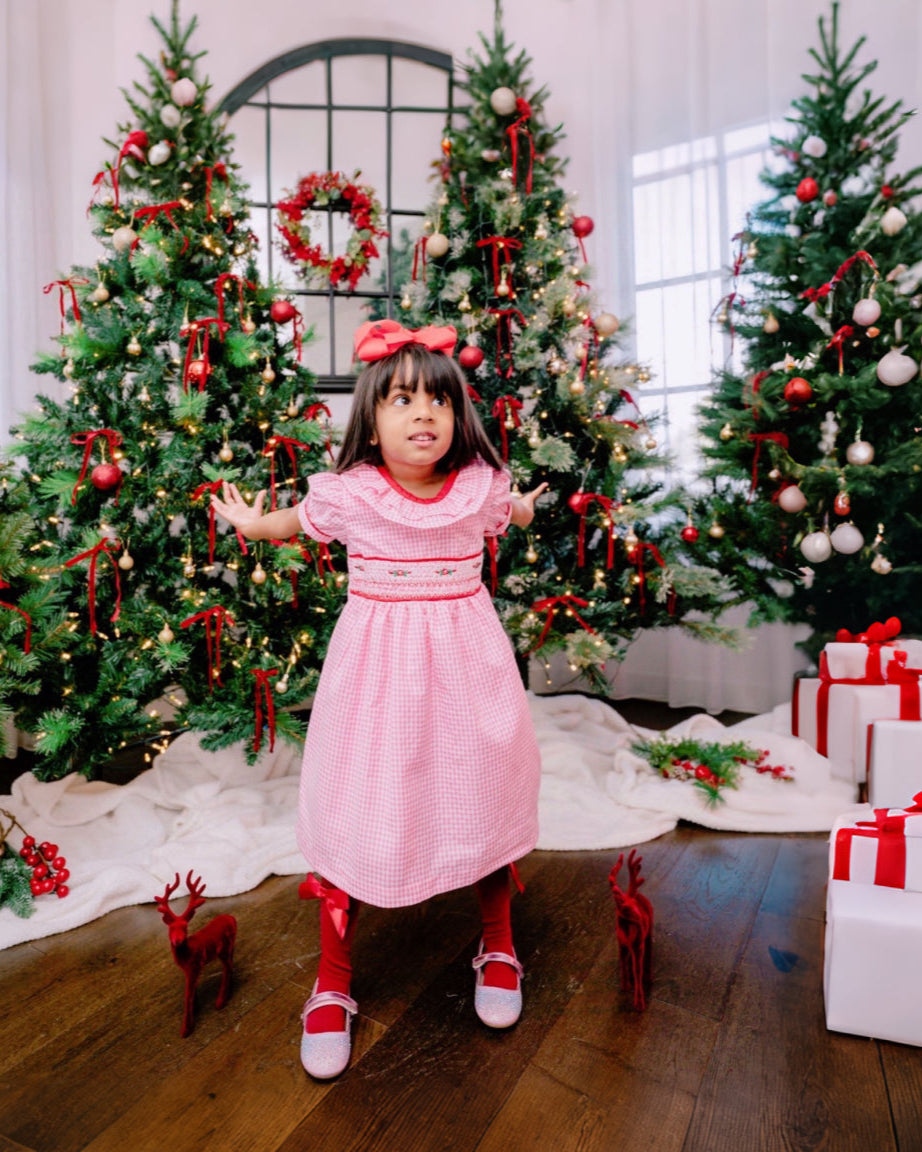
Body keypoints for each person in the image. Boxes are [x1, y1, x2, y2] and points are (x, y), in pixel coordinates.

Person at [211, 318, 547, 1079]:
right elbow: (292, 523)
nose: (422, 413)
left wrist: (525, 506)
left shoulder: (478, 490)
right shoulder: (352, 494)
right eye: (401, 400)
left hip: (469, 671)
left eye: (438, 400)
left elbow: (512, 512)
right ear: (370, 416)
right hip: (376, 678)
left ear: (460, 417)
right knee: (362, 805)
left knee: (482, 793)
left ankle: (498, 940)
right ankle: (333, 980)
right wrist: (250, 524)